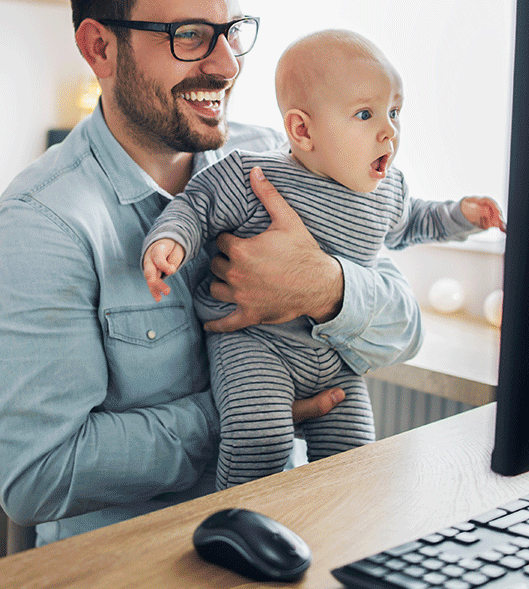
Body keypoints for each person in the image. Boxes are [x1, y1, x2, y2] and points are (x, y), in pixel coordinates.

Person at [0, 0, 427, 546]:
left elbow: (405, 332)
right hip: (133, 565)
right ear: (99, 47)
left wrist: (324, 287)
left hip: (284, 539)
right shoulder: (44, 224)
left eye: (231, 32)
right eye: (189, 35)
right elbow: (39, 475)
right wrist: (245, 414)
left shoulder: (278, 166)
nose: (227, 65)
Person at [142, 29, 506, 488]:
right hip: (258, 345)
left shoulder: (387, 189)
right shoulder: (255, 173)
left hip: (336, 354)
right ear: (302, 130)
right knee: (261, 440)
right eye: (365, 114)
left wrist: (462, 216)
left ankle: (339, 542)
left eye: (395, 112)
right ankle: (240, 527)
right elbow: (196, 206)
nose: (389, 130)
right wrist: (170, 240)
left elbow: (414, 222)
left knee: (356, 457)